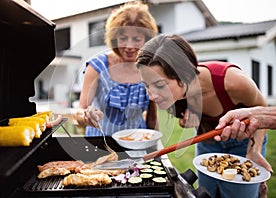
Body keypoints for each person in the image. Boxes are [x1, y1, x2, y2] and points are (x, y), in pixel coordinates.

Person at [136, 34, 269, 198]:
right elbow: (184, 120)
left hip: (244, 140)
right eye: (146, 85)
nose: (151, 95)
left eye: (159, 85)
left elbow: (262, 110)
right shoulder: (176, 92)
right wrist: (186, 121)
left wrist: (254, 151)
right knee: (206, 194)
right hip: (207, 138)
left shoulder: (233, 81)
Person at [73, 1, 158, 136]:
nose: (129, 46)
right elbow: (79, 112)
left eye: (136, 39)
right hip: (100, 143)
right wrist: (85, 116)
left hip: (137, 142)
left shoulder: (150, 69)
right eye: (123, 38)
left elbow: (152, 116)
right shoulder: (97, 66)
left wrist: (155, 145)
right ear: (114, 38)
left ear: (146, 40)